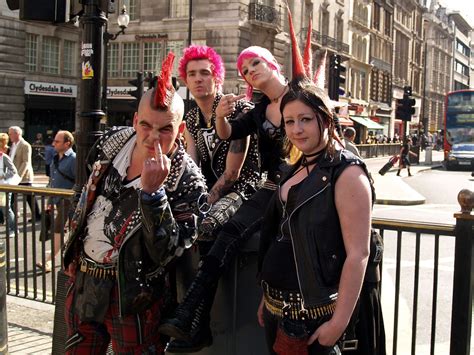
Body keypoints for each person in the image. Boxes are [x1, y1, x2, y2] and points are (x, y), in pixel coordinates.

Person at [62, 52, 207, 354]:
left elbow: (167, 252)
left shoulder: (186, 179)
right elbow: (84, 196)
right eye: (146, 125)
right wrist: (70, 249)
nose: (153, 136)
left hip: (135, 294)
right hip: (86, 281)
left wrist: (154, 195)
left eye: (165, 129)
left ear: (180, 131)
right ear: (134, 121)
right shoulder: (111, 143)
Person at [158, 45, 292, 349]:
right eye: (191, 74)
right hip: (213, 192)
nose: (198, 80)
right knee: (168, 226)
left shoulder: (240, 109)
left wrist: (202, 206)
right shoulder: (191, 118)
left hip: (242, 190)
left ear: (217, 77)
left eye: (205, 73)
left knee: (205, 228)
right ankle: (177, 313)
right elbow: (191, 165)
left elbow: (232, 174)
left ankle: (193, 318)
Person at [257, 79, 372, 354]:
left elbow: (358, 254)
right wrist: (267, 296)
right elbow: (283, 236)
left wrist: (338, 323)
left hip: (313, 319)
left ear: (326, 120)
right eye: (289, 121)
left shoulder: (347, 174)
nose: (296, 129)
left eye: (305, 119)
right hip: (276, 310)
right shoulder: (294, 168)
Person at [36, 130, 76, 273]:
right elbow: (52, 181)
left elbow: (80, 182)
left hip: (68, 201)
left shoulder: (73, 159)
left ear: (67, 143)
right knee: (66, 232)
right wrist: (50, 200)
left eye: (57, 141)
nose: (53, 144)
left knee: (58, 230)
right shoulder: (55, 158)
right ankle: (70, 258)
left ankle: (49, 260)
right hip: (58, 200)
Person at [8, 126, 41, 221]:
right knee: (12, 197)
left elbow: (25, 162)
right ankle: (13, 216)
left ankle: (37, 216)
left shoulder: (25, 145)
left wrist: (18, 176)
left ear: (17, 134)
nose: (9, 135)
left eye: (11, 133)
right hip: (14, 176)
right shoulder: (13, 145)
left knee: (29, 197)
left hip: (23, 176)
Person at [0, 132, 18, 238]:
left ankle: (13, 229)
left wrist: (2, 176)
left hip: (4, 186)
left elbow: (13, 171)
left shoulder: (4, 157)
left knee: (6, 209)